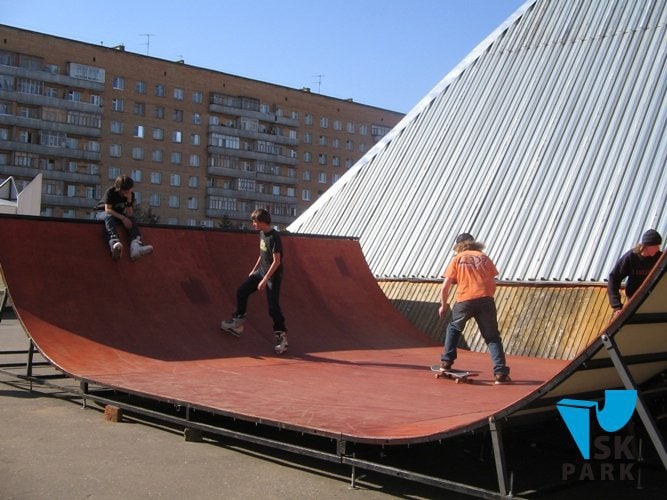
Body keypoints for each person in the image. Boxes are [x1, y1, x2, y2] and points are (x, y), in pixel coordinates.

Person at [438, 233, 511, 384]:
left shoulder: (457, 259)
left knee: (454, 328)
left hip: (464, 300)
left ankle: (446, 362)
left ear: (458, 246)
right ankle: (500, 372)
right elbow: (493, 282)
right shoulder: (483, 257)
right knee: (492, 337)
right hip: (486, 299)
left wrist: (444, 305)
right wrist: (487, 298)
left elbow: (445, 286)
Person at [221, 208, 288, 354]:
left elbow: (277, 261)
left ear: (263, 222)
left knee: (273, 308)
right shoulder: (262, 234)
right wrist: (254, 270)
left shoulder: (274, 236)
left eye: (255, 222)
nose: (253, 224)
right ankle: (238, 323)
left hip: (273, 276)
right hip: (261, 272)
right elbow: (262, 253)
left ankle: (281, 336)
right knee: (241, 291)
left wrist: (265, 280)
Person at [95, 175, 153, 261]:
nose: (127, 192)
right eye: (125, 190)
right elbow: (108, 210)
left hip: (118, 215)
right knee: (109, 217)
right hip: (102, 213)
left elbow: (129, 214)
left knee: (132, 220)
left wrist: (129, 201)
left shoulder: (130, 195)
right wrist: (123, 218)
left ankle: (135, 246)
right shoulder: (111, 192)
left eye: (129, 189)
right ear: (119, 188)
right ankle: (114, 242)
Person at [608, 229, 663, 318]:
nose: (658, 248)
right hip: (634, 302)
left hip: (654, 302)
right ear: (647, 246)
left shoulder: (660, 258)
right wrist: (617, 307)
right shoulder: (630, 257)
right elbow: (614, 278)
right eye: (656, 246)